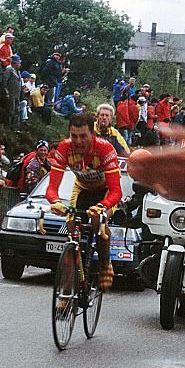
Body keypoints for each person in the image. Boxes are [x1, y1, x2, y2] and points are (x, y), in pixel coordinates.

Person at [46, 113, 122, 292]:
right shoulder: (64, 148)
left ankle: (105, 263)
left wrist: (103, 206)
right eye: (74, 136)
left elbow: (116, 190)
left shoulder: (105, 149)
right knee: (72, 227)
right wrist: (55, 201)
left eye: (83, 136)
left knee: (98, 222)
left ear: (92, 134)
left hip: (105, 192)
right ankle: (67, 288)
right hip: (82, 189)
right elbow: (52, 187)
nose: (78, 141)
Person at [2, 54, 22, 125]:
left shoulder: (18, 72)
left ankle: (15, 126)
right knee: (11, 110)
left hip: (17, 95)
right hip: (10, 94)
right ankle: (8, 126)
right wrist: (6, 92)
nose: (20, 64)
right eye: (19, 63)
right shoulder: (9, 70)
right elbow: (4, 81)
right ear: (15, 63)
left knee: (17, 110)